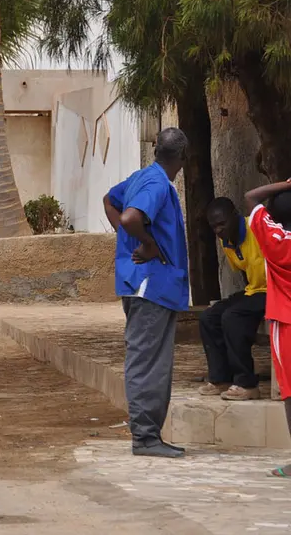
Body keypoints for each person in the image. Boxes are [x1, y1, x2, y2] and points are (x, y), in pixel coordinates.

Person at [103, 127, 190, 458]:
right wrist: (148, 244)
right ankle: (145, 437)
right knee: (148, 362)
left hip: (145, 283)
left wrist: (129, 242)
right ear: (182, 158)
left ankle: (148, 435)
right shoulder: (155, 184)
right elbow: (128, 216)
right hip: (150, 287)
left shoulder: (142, 176)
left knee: (153, 360)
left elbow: (109, 200)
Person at [244, 180, 291, 478]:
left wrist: (286, 183)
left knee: (290, 393)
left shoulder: (274, 239)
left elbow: (250, 196)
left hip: (286, 324)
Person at [198, 197, 266, 400]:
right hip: (254, 290)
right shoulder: (225, 241)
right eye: (214, 226)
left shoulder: (256, 228)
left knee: (233, 317)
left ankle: (247, 384)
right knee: (209, 317)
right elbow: (244, 273)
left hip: (276, 289)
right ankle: (221, 379)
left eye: (222, 223)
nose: (218, 229)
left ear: (235, 216)